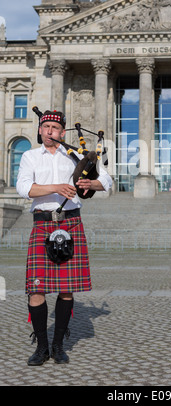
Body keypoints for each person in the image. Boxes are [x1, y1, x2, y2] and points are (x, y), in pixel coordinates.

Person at [16, 109, 112, 366]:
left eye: (55, 128)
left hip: (70, 223)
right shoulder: (29, 156)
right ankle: (41, 347)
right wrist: (56, 188)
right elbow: (24, 188)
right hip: (42, 224)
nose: (49, 131)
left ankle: (58, 347)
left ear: (62, 132)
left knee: (66, 290)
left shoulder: (75, 156)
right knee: (36, 289)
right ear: (40, 130)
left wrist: (91, 185)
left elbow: (107, 179)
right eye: (45, 126)